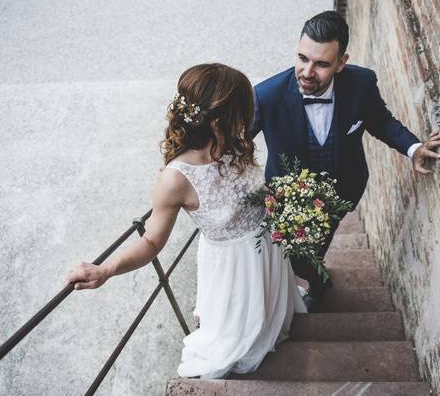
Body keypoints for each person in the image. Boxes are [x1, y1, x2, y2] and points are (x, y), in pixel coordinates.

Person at [65, 63, 306, 379]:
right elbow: (151, 240)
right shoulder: (176, 179)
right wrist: (106, 269)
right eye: (244, 110)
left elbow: (252, 192)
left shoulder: (236, 142)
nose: (250, 116)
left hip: (268, 250)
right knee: (239, 332)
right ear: (220, 120)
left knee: (272, 310)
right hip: (234, 268)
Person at [248, 11, 440, 312]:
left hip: (344, 189)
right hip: (289, 199)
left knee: (318, 244)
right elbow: (236, 143)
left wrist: (413, 147)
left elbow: (381, 121)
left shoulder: (361, 84)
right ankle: (317, 279)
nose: (307, 71)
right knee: (296, 257)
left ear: (342, 63)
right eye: (302, 58)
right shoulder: (267, 95)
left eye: (322, 63)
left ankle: (317, 282)